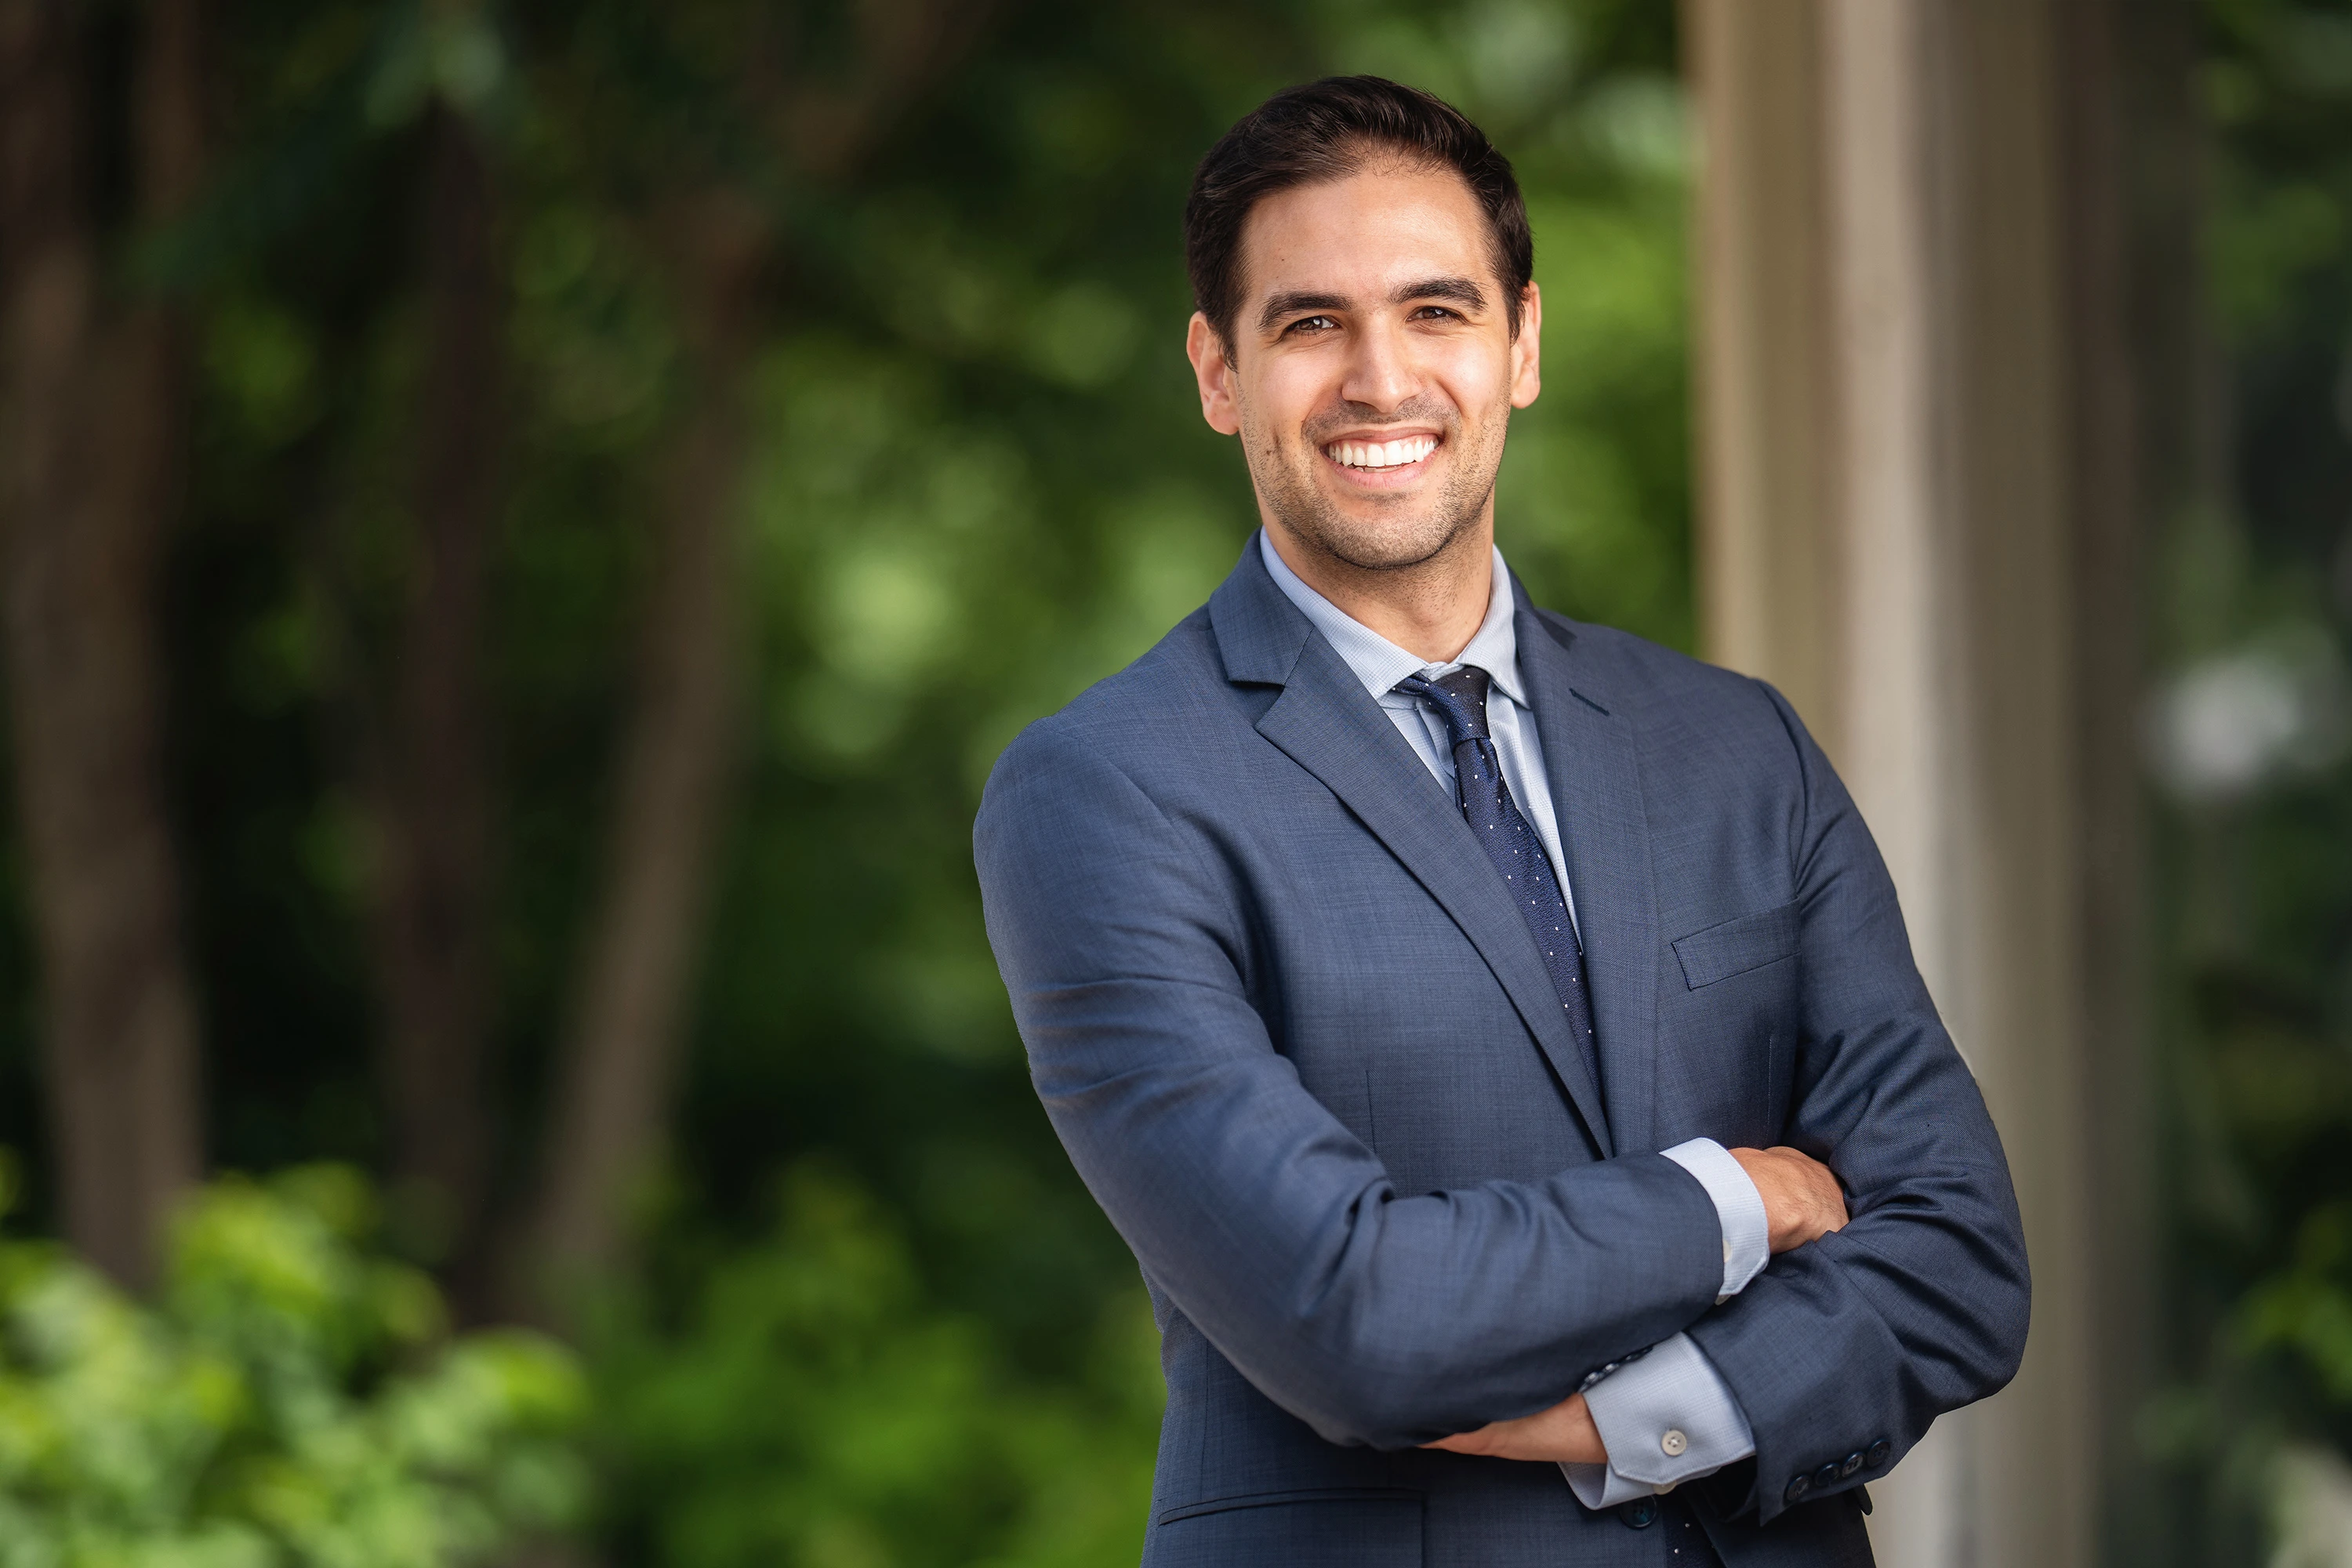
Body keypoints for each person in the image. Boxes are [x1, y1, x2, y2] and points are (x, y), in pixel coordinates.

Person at [973, 76, 2027, 1567]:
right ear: (1217, 373)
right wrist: (1739, 1192)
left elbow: (1962, 1256)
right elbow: (1355, 1316)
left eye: (1437, 312)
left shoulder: (1739, 749)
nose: (1380, 380)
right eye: (1308, 322)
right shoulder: (1109, 792)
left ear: (1522, 343)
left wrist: (1635, 1419)